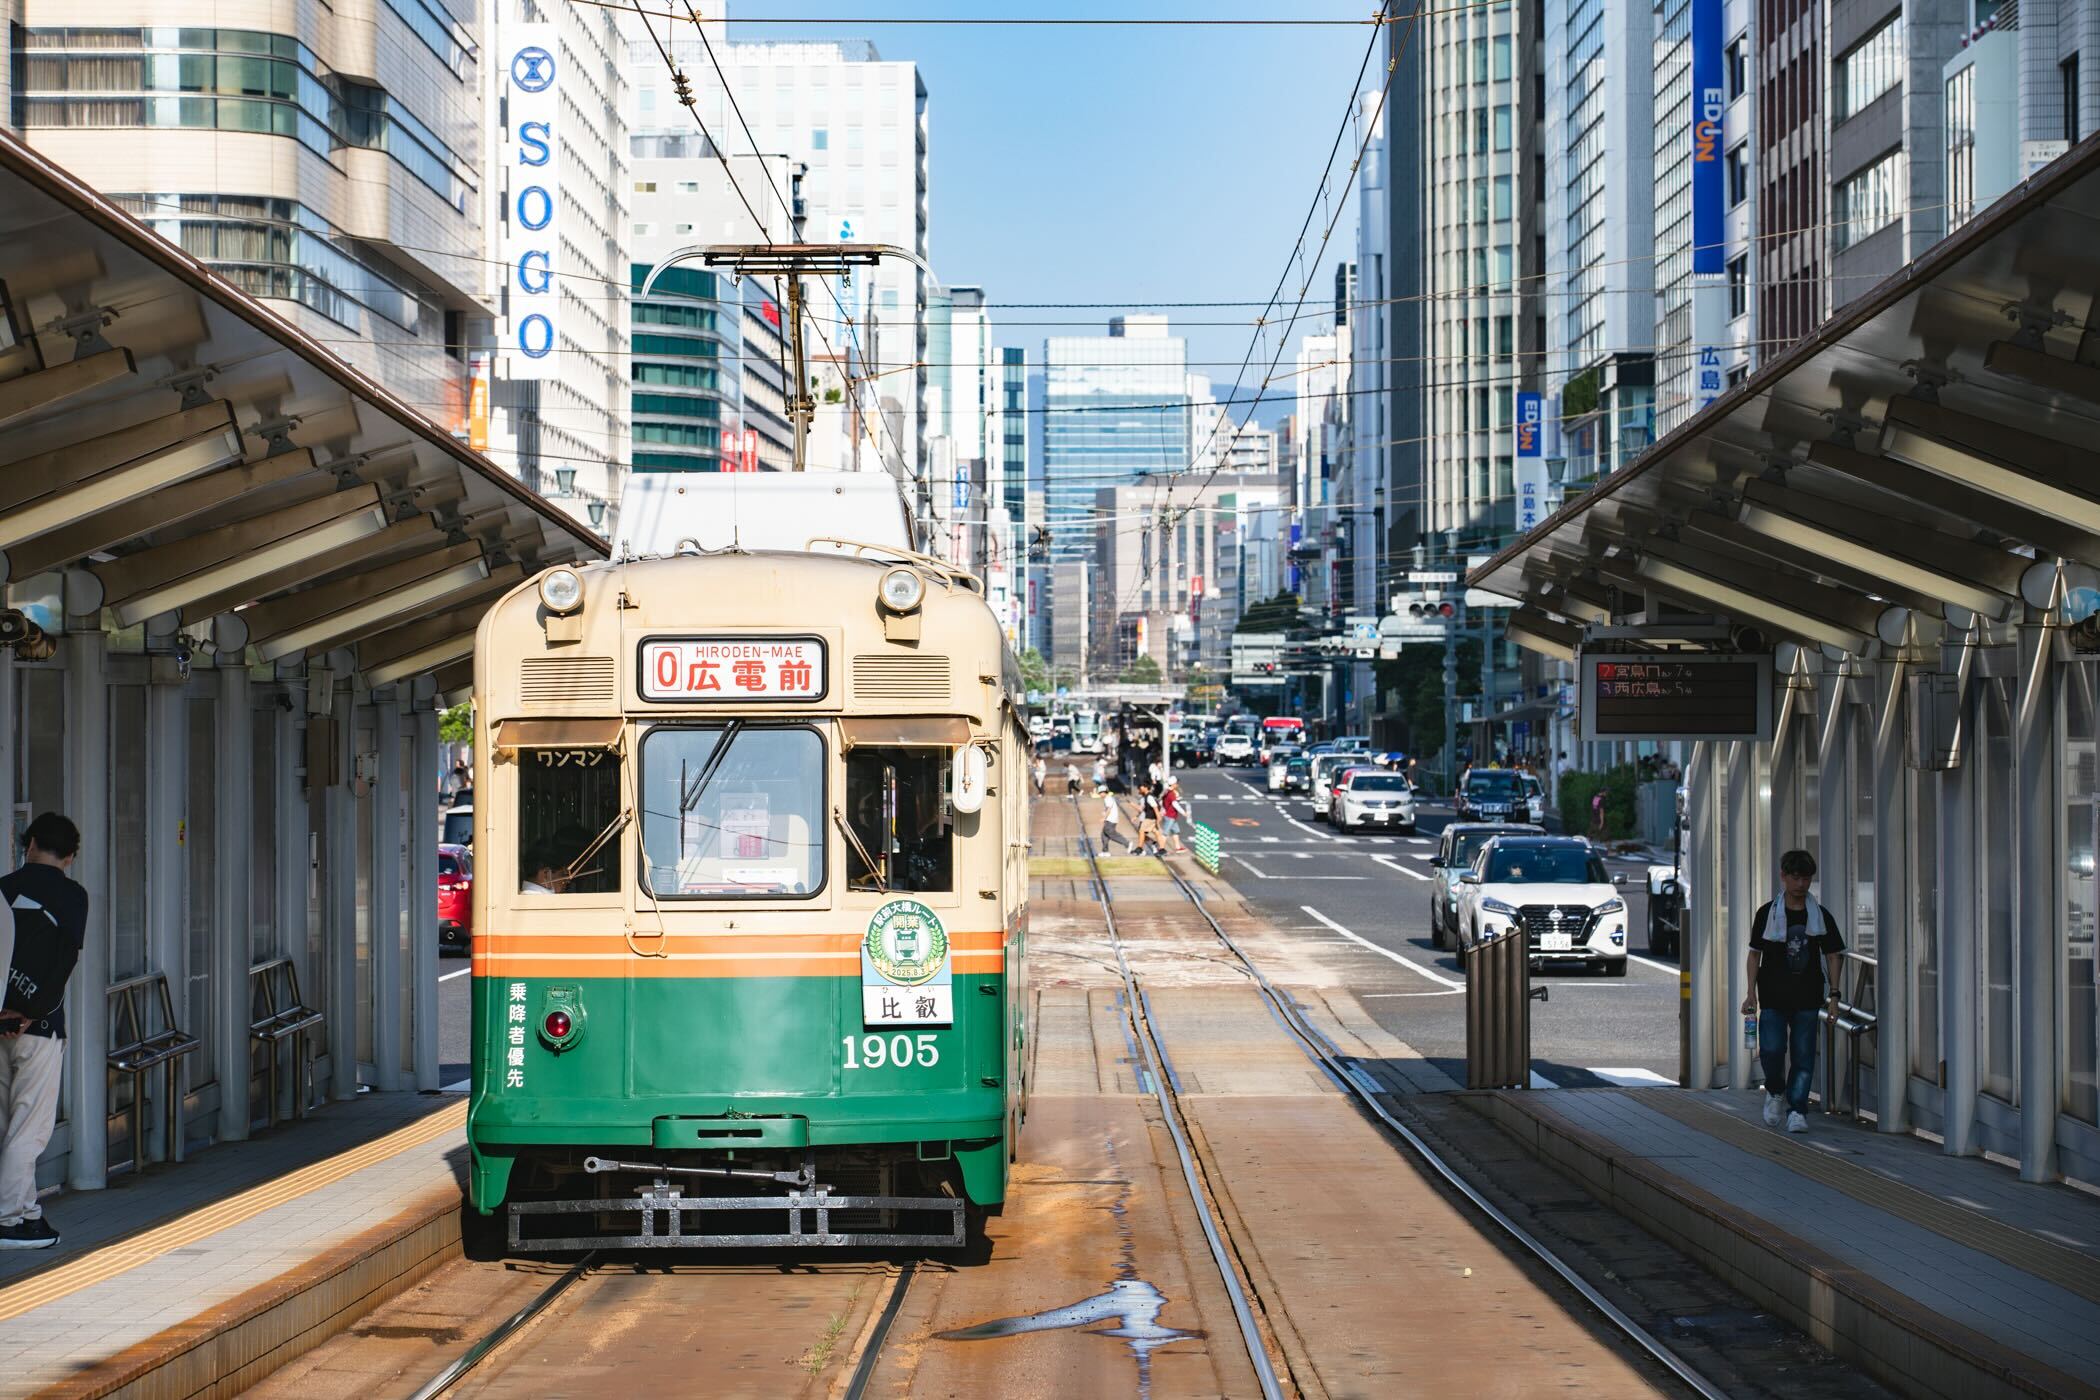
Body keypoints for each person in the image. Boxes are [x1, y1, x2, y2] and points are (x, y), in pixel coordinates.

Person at [0, 814, 87, 1249]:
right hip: (40, 1028)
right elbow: (64, 961)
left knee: (3, 1124)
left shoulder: (2, 888)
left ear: (28, 842)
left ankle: (25, 1208)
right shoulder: (72, 896)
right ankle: (11, 1219)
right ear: (70, 857)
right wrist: (32, 1012)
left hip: (0, 1025)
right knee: (28, 1127)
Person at [1742, 849, 1847, 1133]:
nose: (1801, 884)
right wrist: (1750, 993)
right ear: (1784, 877)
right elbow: (1754, 954)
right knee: (1772, 1050)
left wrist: (1834, 996)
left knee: (1803, 1055)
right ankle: (1775, 1091)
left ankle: (1798, 1110)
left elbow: (1834, 954)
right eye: (1796, 877)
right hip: (1773, 995)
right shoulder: (1767, 913)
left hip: (1808, 995)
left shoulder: (1820, 916)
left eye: (1807, 878)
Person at [1135, 784, 1165, 856]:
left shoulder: (1149, 797)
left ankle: (1140, 848)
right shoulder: (1148, 796)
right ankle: (1162, 849)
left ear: (1146, 787)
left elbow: (1155, 806)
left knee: (1141, 831)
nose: (1139, 789)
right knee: (1156, 832)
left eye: (1141, 787)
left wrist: (1158, 816)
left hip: (1150, 817)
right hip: (1151, 816)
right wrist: (1136, 816)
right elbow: (1145, 808)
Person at [1161, 783, 1187, 854]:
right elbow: (1175, 804)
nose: (1177, 784)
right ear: (1173, 784)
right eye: (1176, 783)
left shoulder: (1166, 792)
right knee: (1165, 833)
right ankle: (1161, 849)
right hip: (1170, 816)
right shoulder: (1171, 794)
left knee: (1176, 831)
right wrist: (1183, 812)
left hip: (1171, 815)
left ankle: (1178, 847)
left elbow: (1163, 802)